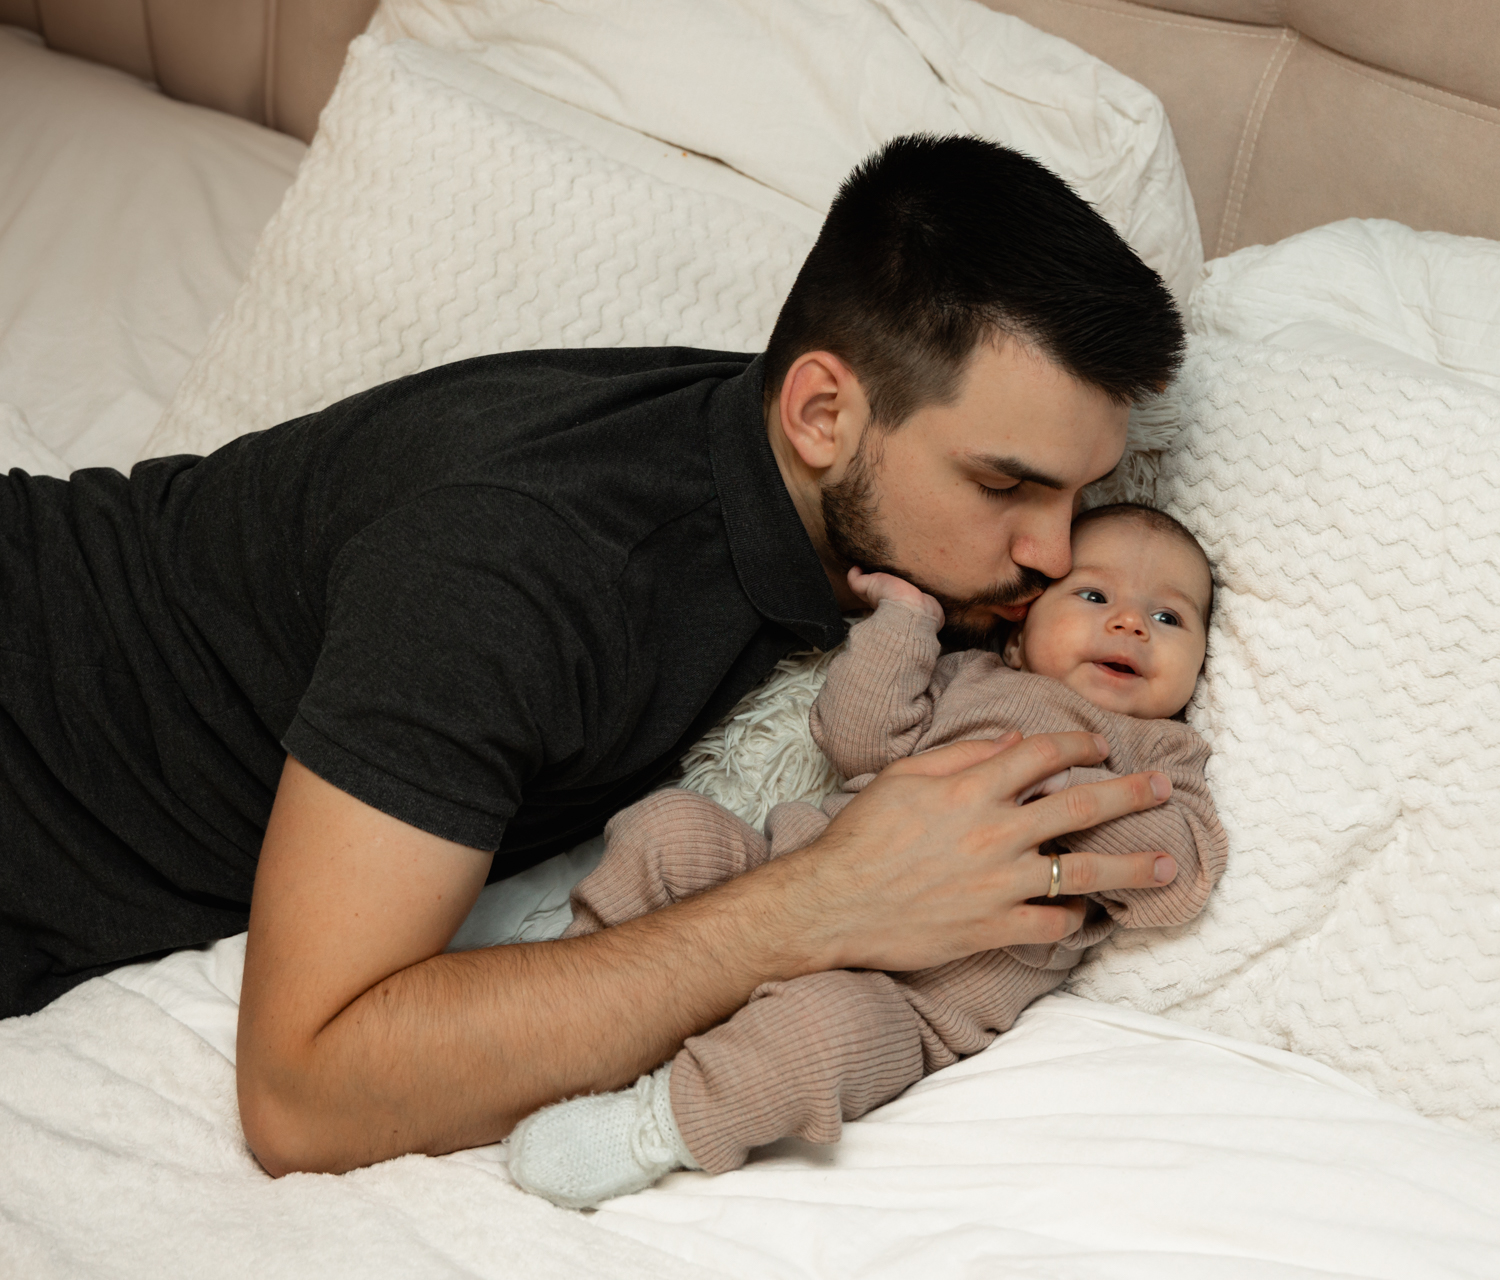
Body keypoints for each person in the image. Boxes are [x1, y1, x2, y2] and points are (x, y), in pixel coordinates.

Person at [0, 133, 1189, 1176]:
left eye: (1081, 493)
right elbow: (303, 1092)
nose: (1052, 552)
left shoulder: (828, 501)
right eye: (1004, 485)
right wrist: (828, 898)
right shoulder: (523, 569)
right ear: (821, 414)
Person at [506, 503, 1227, 1206]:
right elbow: (858, 739)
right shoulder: (969, 678)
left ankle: (652, 1126)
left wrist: (1072, 794)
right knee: (672, 826)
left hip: (907, 996)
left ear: (1199, 665)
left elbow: (1180, 876)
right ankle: (578, 995)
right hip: (784, 874)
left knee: (816, 1033)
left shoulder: (1164, 753)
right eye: (1094, 596)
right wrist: (906, 625)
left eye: (1169, 617)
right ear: (1018, 635)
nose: (1131, 623)